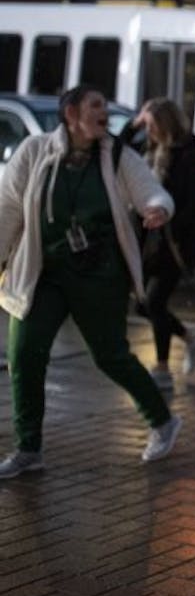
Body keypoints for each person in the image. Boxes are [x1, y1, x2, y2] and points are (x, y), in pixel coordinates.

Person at [0, 84, 181, 478]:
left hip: (99, 274)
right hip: (42, 272)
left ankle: (163, 421)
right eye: (96, 106)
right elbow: (8, 208)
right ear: (72, 114)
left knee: (110, 355)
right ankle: (29, 448)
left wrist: (156, 208)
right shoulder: (34, 152)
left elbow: (152, 191)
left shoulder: (118, 154)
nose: (105, 113)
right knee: (25, 353)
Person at [128, 97, 195, 389]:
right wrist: (135, 122)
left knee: (155, 301)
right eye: (146, 126)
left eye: (152, 125)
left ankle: (162, 369)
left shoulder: (189, 153)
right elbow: (116, 151)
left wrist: (169, 218)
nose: (148, 131)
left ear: (166, 124)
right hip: (145, 239)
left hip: (172, 241)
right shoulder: (148, 149)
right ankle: (190, 338)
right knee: (141, 305)